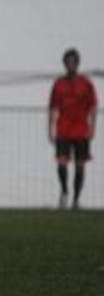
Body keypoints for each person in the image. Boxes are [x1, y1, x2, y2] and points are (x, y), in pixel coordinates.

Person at [49, 48, 97, 210]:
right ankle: (64, 191)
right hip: (63, 129)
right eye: (68, 62)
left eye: (73, 62)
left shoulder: (86, 83)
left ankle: (76, 200)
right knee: (62, 163)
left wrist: (92, 127)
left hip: (81, 129)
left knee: (80, 165)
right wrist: (50, 128)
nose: (71, 65)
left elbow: (93, 106)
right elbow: (52, 107)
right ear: (64, 64)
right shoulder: (59, 83)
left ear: (77, 63)